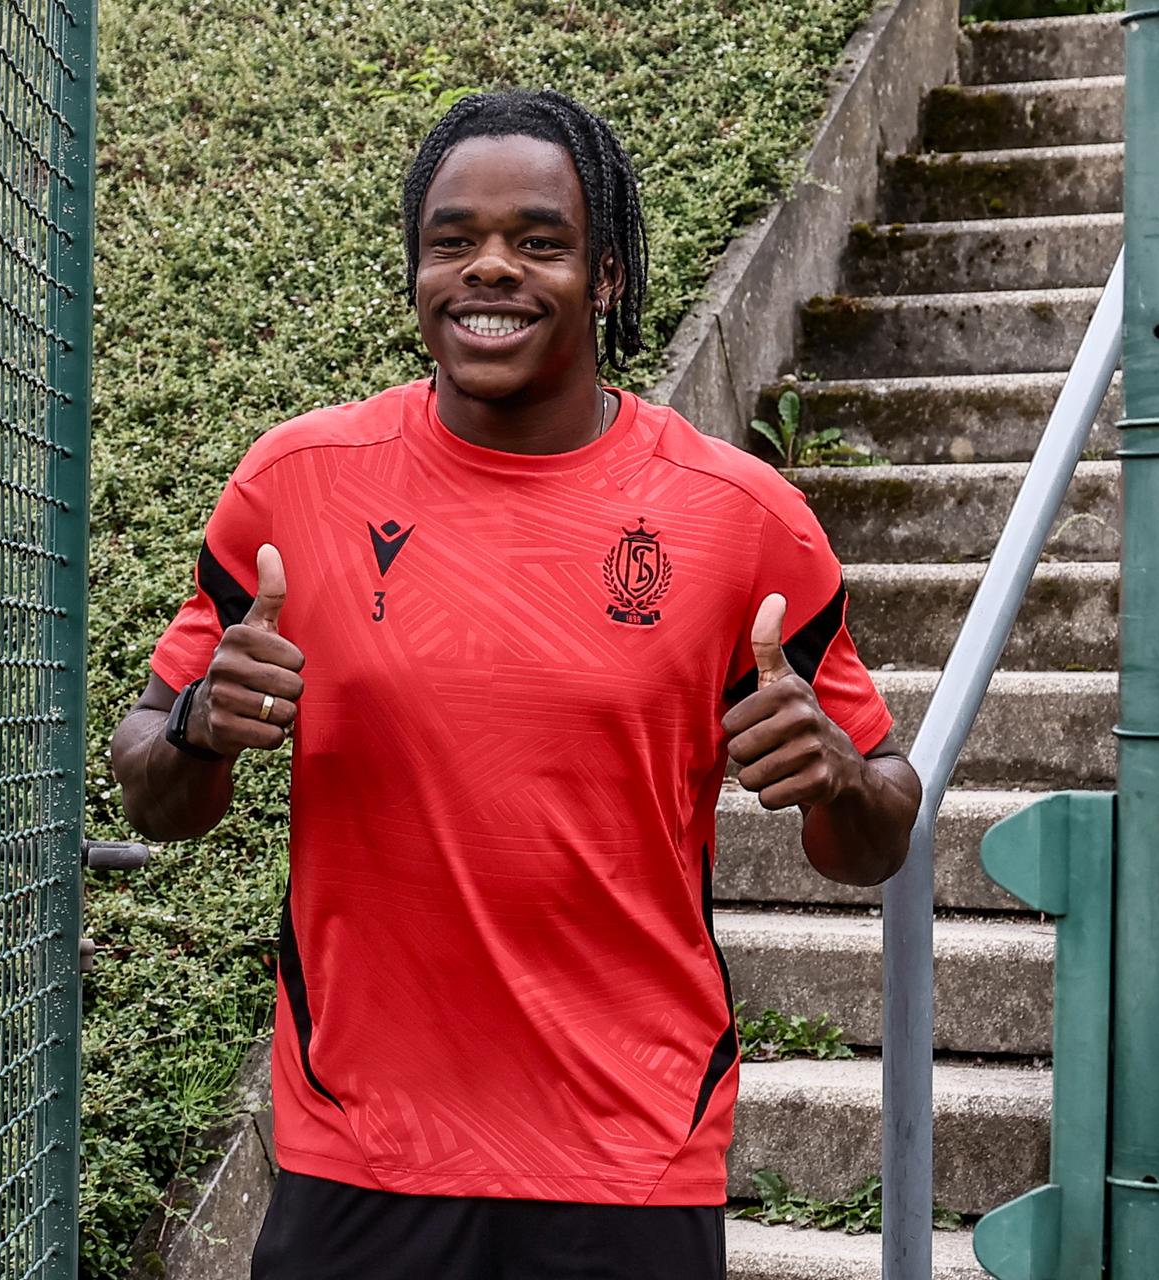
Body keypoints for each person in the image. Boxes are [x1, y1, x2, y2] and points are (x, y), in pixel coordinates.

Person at [109, 88, 923, 1280]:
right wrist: (197, 724)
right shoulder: (296, 486)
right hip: (361, 1150)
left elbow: (879, 833)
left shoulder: (741, 520)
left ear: (606, 276)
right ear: (417, 271)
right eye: (454, 241)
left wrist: (839, 775)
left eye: (539, 241)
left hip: (629, 1152)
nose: (490, 268)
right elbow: (147, 784)